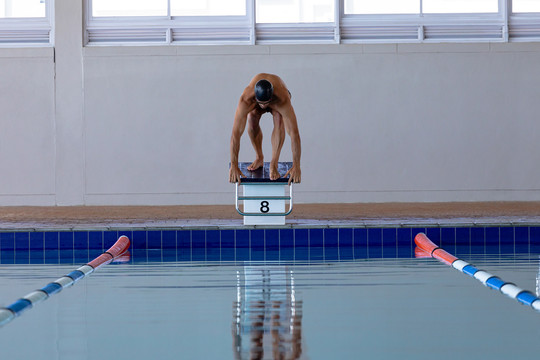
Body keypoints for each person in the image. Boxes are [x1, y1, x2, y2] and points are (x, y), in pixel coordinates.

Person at [229, 73, 301, 185]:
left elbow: (294, 134)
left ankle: (274, 163)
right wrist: (234, 165)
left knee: (279, 119)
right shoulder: (246, 99)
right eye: (261, 103)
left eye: (265, 103)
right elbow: (235, 134)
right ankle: (259, 157)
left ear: (271, 98)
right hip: (255, 102)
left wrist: (297, 166)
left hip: (276, 100)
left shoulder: (282, 98)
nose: (263, 106)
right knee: (252, 117)